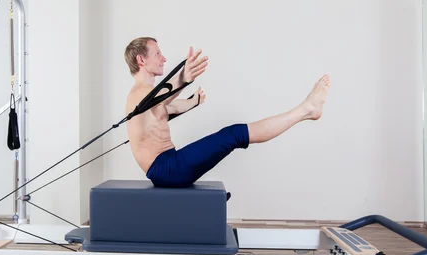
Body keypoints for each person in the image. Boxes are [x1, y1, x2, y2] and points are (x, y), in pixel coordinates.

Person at [124, 36, 330, 188]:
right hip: (166, 170)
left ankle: (306, 110)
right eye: (157, 53)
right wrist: (183, 77)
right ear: (141, 60)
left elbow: (169, 107)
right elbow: (157, 100)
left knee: (233, 135)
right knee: (234, 134)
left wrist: (194, 100)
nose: (164, 58)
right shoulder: (138, 95)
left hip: (169, 166)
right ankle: (306, 110)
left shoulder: (149, 99)